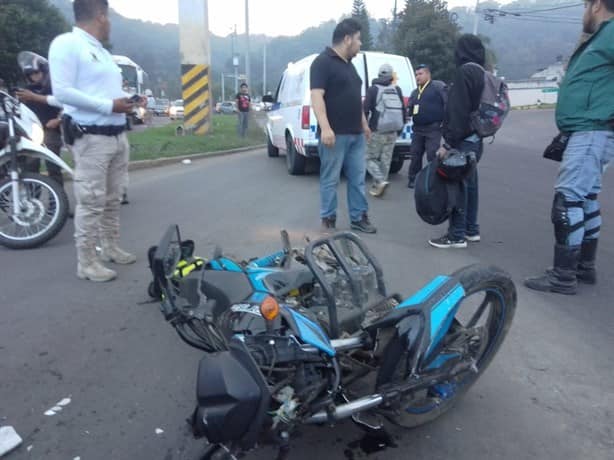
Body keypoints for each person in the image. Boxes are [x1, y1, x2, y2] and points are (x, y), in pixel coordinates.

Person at [525, 0, 614, 295]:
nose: (583, 13)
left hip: (592, 129)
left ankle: (563, 276)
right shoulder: (602, 36)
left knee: (568, 201)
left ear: (596, 5)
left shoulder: (612, 32)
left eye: (585, 6)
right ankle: (583, 267)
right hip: (591, 129)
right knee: (586, 198)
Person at [49, 0, 139, 282]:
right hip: (91, 137)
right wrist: (108, 106)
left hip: (116, 135)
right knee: (91, 201)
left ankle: (110, 246)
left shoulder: (100, 52)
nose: (109, 22)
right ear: (100, 16)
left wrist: (128, 102)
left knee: (113, 198)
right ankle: (86, 262)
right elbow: (62, 92)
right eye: (108, 17)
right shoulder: (67, 44)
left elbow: (103, 93)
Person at [310, 18, 376, 234]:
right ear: (347, 39)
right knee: (330, 180)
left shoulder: (350, 67)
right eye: (358, 39)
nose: (360, 44)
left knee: (357, 179)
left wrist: (364, 123)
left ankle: (358, 218)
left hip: (356, 135)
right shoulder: (322, 62)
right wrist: (326, 128)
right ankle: (328, 219)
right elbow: (317, 96)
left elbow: (355, 98)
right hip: (334, 135)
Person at [428, 34, 486, 249]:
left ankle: (457, 235)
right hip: (477, 139)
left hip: (463, 140)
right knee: (470, 185)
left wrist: (448, 144)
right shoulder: (482, 72)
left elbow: (458, 111)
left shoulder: (464, 73)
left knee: (458, 186)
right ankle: (471, 230)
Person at [14, 54, 65, 188]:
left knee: (53, 167)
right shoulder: (25, 91)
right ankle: (33, 202)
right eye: (30, 74)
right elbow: (19, 112)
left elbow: (66, 106)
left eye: (36, 72)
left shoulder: (54, 88)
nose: (34, 76)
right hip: (32, 131)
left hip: (51, 130)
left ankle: (59, 203)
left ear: (43, 71)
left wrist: (58, 120)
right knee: (31, 167)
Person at [363, 63, 406, 197]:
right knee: (386, 160)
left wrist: (365, 128)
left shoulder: (373, 90)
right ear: (391, 76)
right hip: (393, 131)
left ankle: (380, 181)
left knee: (368, 158)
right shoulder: (397, 89)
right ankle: (379, 186)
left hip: (377, 130)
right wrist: (400, 128)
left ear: (379, 74)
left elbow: (365, 110)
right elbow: (403, 111)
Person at [406, 64, 447, 189]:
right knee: (415, 155)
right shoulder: (415, 92)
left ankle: (435, 179)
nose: (418, 77)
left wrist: (446, 122)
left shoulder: (438, 86)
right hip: (418, 129)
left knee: (432, 155)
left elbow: (448, 103)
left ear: (428, 74)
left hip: (433, 129)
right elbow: (410, 109)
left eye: (420, 74)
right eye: (416, 74)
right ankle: (413, 179)